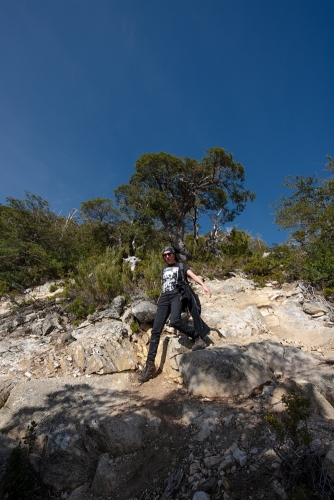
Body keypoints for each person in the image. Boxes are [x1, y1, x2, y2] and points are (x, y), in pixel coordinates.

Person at [138, 246, 212, 383]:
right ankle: (149, 365)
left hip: (177, 296)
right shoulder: (164, 269)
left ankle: (198, 337)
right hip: (164, 298)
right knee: (156, 331)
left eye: (169, 254)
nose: (167, 256)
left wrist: (203, 285)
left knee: (175, 321)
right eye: (164, 255)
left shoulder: (181, 266)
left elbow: (193, 276)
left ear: (174, 254)